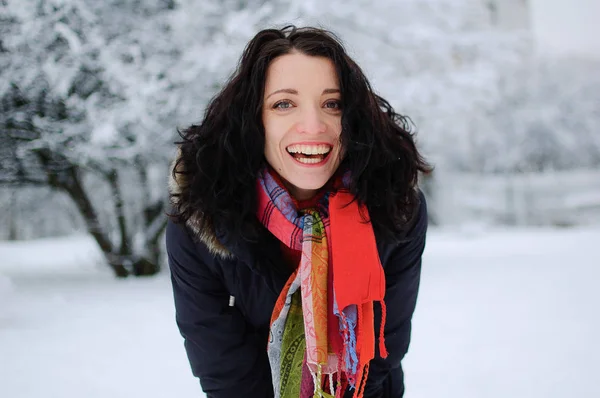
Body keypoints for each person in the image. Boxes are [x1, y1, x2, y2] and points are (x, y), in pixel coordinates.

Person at [166, 25, 430, 398]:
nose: (313, 125)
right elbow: (221, 363)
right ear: (253, 119)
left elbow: (385, 346)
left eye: (332, 104)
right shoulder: (202, 214)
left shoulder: (395, 205)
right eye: (283, 104)